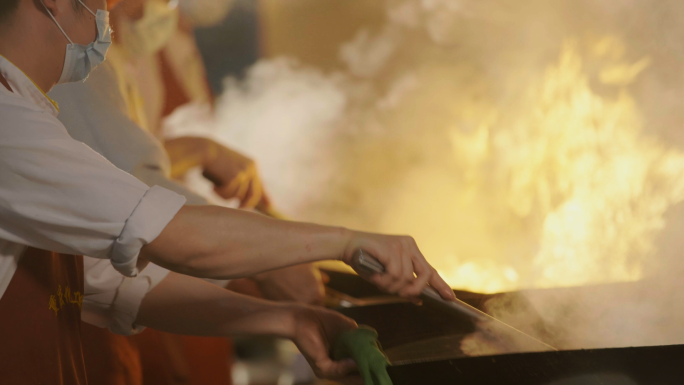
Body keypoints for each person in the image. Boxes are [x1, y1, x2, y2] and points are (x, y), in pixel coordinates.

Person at [0, 0, 456, 383]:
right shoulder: (7, 122)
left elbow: (118, 285)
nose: (108, 12)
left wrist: (291, 319)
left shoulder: (28, 113)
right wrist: (345, 242)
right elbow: (174, 236)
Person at [48, 0, 326, 383]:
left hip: (97, 309)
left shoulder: (105, 55)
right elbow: (130, 192)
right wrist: (269, 257)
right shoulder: (71, 63)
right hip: (59, 329)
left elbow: (114, 275)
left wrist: (286, 314)